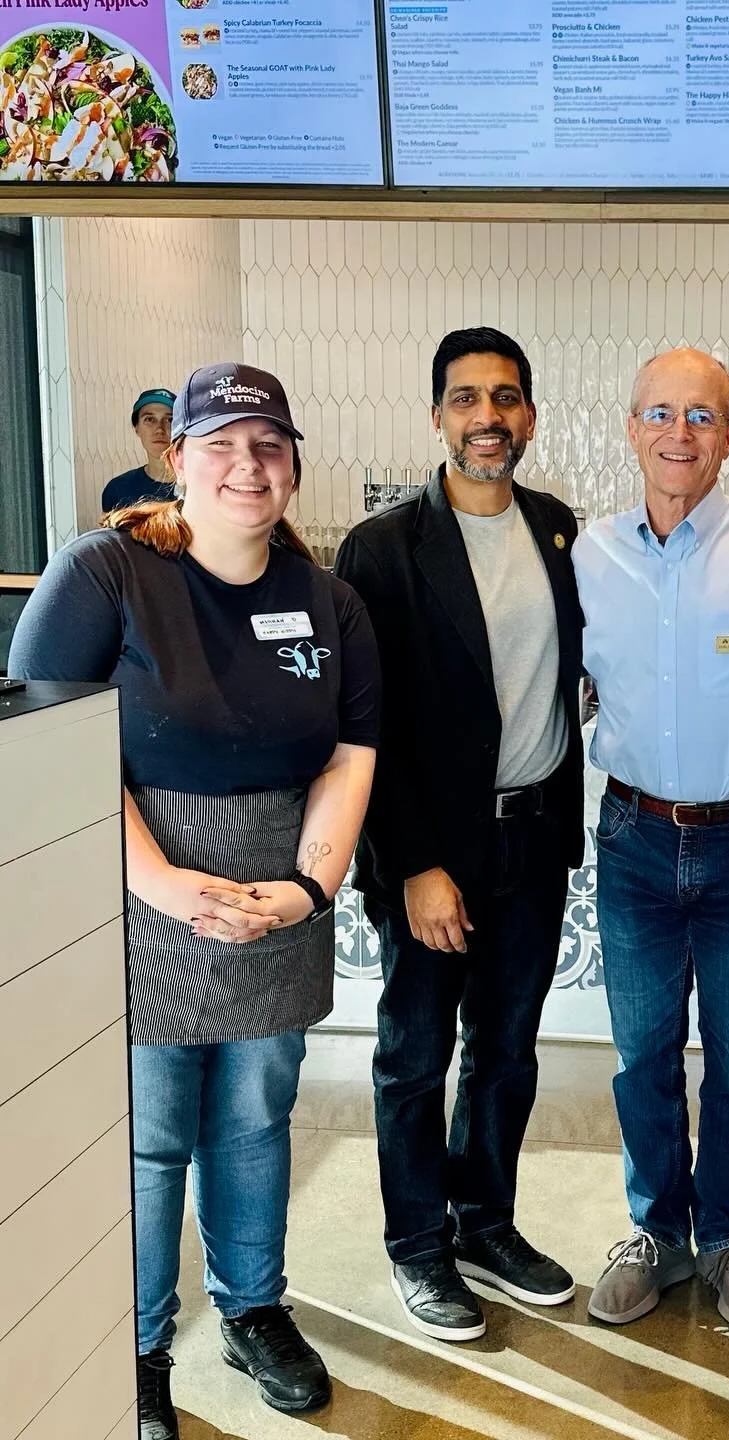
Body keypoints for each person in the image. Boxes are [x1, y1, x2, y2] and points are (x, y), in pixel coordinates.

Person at [9, 363, 380, 1440]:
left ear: (293, 465)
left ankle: (254, 1307)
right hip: (133, 894)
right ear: (177, 459)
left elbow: (353, 753)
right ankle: (130, 1346)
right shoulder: (108, 573)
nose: (246, 465)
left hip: (276, 896)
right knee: (150, 1131)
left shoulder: (330, 602)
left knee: (259, 1117)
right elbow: (42, 749)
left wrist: (307, 888)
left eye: (268, 445)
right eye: (221, 444)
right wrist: (162, 881)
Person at [333, 327, 585, 1343]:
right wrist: (413, 867)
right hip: (436, 853)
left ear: (529, 414)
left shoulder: (558, 527)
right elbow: (367, 725)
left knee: (507, 1053)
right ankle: (416, 1245)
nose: (490, 417)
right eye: (468, 398)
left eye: (507, 398)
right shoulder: (383, 549)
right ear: (438, 415)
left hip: (533, 843)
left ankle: (485, 1221)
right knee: (412, 1055)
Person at [573, 349, 729, 1334]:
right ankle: (656, 1233)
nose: (679, 433)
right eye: (660, 413)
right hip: (631, 837)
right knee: (644, 1058)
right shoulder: (585, 556)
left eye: (701, 415)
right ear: (631, 428)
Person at [100, 387, 177, 512]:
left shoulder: (200, 486)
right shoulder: (118, 490)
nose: (159, 429)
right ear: (137, 428)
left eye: (170, 420)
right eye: (150, 419)